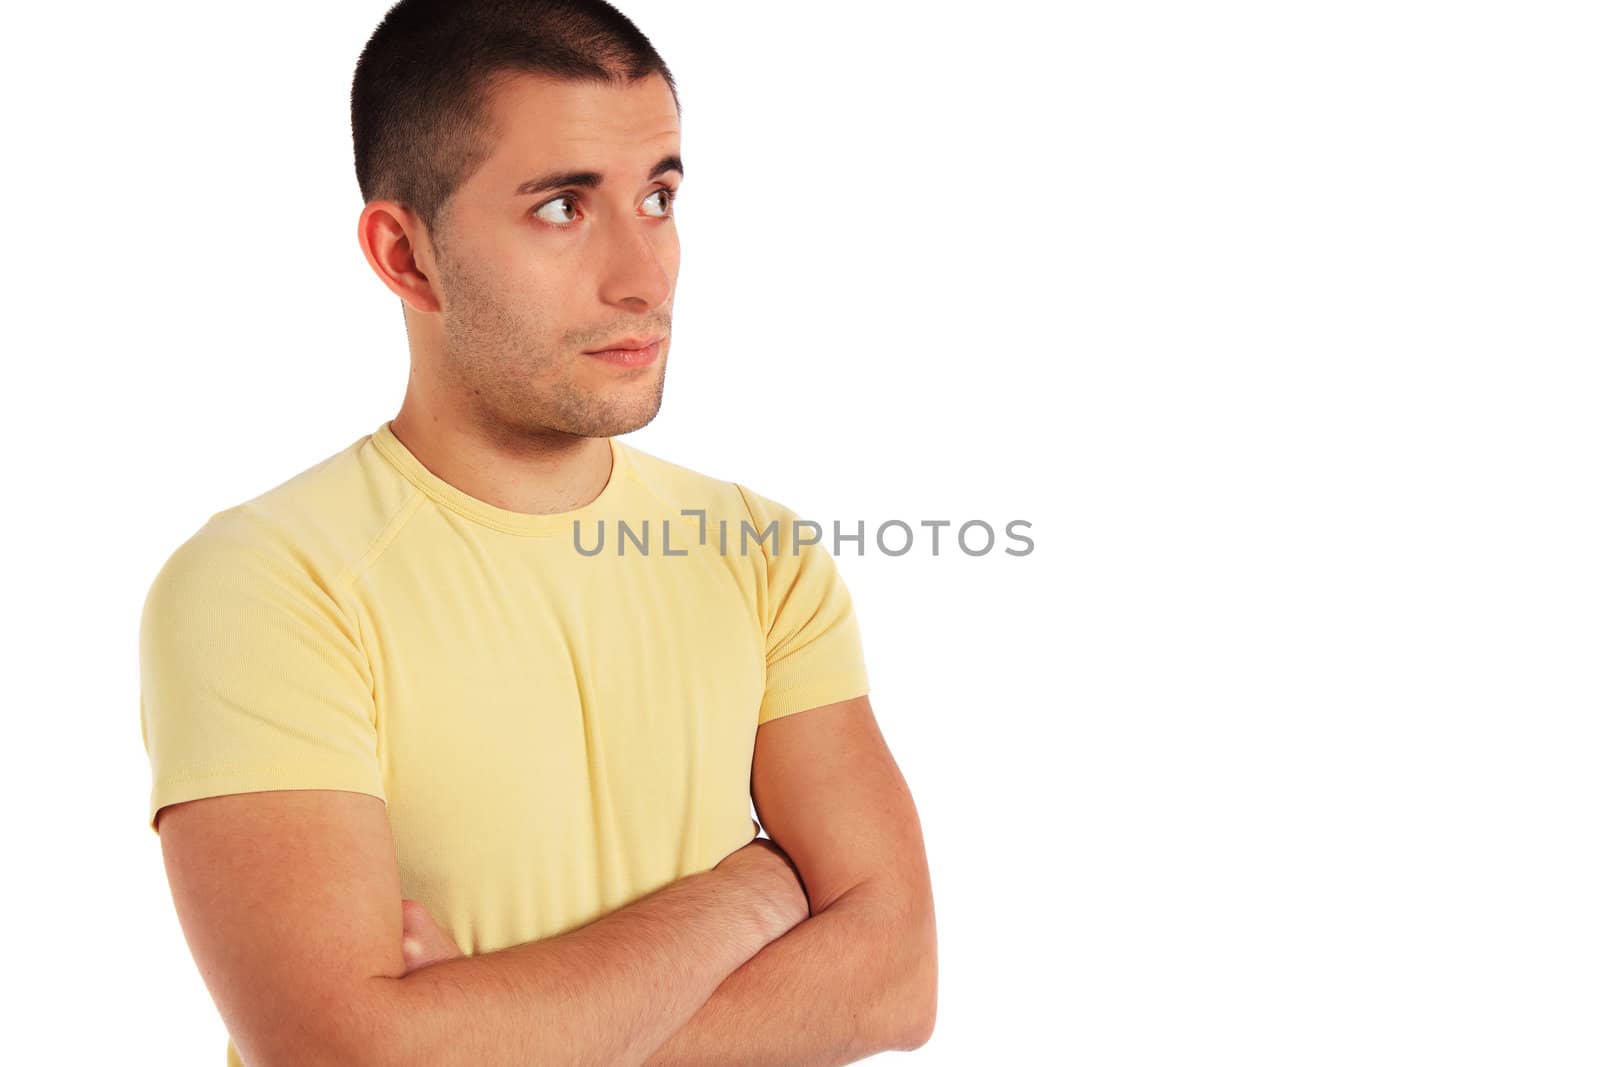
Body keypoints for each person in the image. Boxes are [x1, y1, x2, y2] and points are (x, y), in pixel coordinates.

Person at [137, 2, 936, 1064]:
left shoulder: (757, 552)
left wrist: (494, 1031)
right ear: (404, 253)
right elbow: (349, 1053)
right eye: (562, 208)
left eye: (657, 195)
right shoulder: (267, 584)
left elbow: (895, 980)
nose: (641, 277)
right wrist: (753, 892)